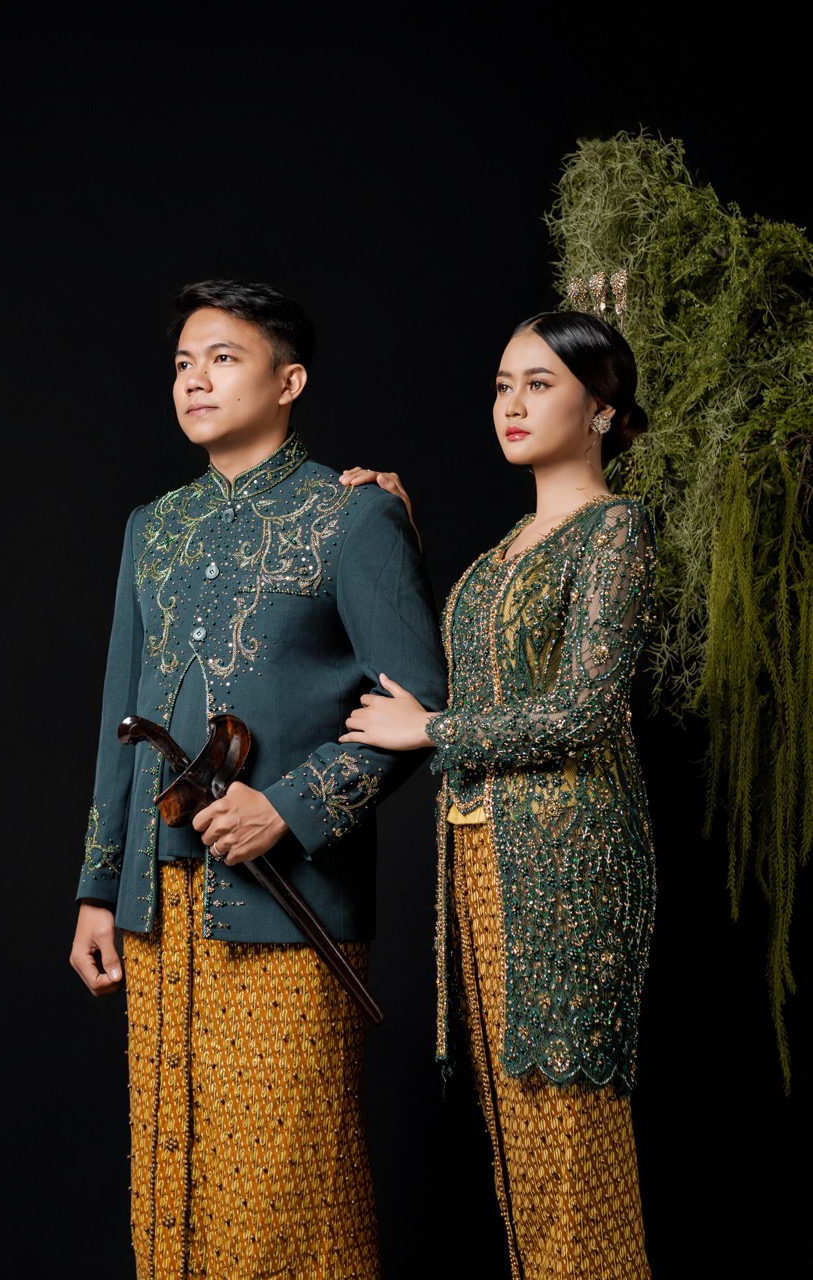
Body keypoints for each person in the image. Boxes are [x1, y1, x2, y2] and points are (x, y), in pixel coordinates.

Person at [69, 278, 448, 1280]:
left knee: (290, 1195)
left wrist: (289, 806)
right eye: (183, 364)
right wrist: (98, 889)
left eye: (223, 358)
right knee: (171, 1182)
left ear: (289, 381)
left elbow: (420, 705)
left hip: (289, 906)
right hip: (157, 908)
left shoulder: (353, 514)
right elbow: (119, 720)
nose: (195, 380)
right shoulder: (152, 525)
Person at [339, 308, 657, 1278]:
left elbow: (584, 711)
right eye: (501, 385)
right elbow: (483, 672)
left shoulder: (614, 531)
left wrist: (431, 732)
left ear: (599, 408)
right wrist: (395, 529)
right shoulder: (508, 547)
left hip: (568, 862)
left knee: (566, 1140)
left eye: (539, 383)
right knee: (515, 1135)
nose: (511, 404)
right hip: (481, 859)